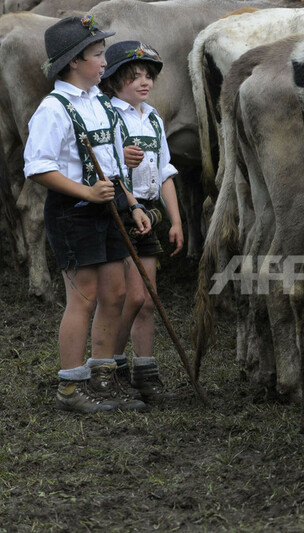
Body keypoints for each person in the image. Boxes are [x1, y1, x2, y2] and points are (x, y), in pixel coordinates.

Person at [25, 15, 150, 413]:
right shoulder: (53, 108)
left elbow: (112, 163)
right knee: (83, 298)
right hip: (73, 212)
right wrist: (86, 192)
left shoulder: (100, 103)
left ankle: (103, 378)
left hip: (110, 206)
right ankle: (70, 386)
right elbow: (38, 167)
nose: (103, 62)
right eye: (97, 54)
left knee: (114, 294)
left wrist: (131, 203)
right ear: (74, 61)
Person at [100, 40, 183, 403]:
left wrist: (176, 221)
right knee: (130, 297)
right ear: (115, 80)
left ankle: (145, 373)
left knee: (148, 299)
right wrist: (123, 158)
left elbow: (165, 172)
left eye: (148, 75)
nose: (144, 82)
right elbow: (106, 165)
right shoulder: (109, 115)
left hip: (149, 211)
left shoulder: (153, 117)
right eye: (134, 76)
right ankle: (111, 366)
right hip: (120, 210)